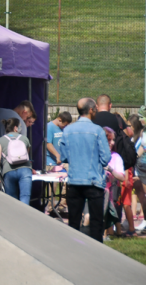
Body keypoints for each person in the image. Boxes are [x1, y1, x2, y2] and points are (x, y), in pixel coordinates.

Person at [59, 97, 111, 243]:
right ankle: (96, 255)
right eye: (95, 109)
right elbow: (106, 157)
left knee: (73, 223)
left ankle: (74, 252)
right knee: (96, 223)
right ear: (90, 110)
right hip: (94, 181)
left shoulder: (68, 130)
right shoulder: (97, 130)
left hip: (74, 181)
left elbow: (63, 156)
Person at [0, 118, 33, 204]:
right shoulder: (24, 138)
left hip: (8, 170)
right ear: (15, 128)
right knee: (25, 196)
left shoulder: (0, 140)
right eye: (20, 126)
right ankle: (24, 216)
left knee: (11, 200)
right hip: (25, 170)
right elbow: (26, 156)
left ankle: (14, 217)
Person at [130, 116, 146, 231]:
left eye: (142, 117)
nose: (141, 120)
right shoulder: (143, 132)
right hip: (141, 166)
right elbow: (142, 147)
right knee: (141, 193)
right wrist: (134, 158)